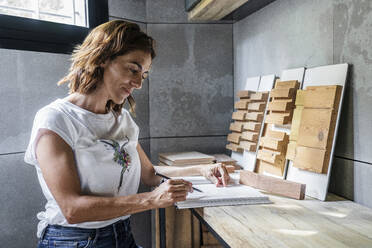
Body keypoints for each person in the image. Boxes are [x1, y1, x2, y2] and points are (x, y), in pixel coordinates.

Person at [24, 20, 230, 248]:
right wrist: (151, 199)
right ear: (102, 58)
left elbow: (149, 173)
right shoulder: (56, 119)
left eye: (144, 74)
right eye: (133, 69)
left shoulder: (122, 119)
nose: (139, 83)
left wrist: (202, 170)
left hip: (122, 235)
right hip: (73, 241)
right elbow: (72, 209)